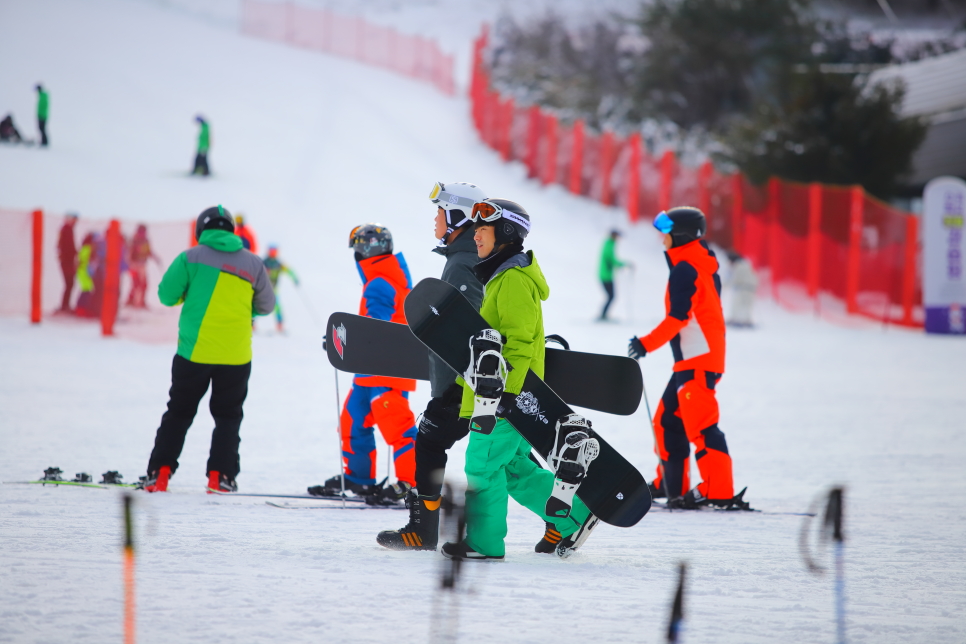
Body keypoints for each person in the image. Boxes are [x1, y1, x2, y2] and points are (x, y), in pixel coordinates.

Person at [440, 198, 595, 561]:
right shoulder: (503, 277)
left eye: (482, 227)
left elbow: (519, 342)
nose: (474, 234)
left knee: (482, 464)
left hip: (501, 399)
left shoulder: (511, 280)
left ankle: (483, 543)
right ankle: (577, 515)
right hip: (504, 396)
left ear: (506, 232)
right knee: (510, 468)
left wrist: (499, 398)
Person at [376, 181, 488, 551]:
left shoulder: (462, 264)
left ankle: (422, 530)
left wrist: (454, 390)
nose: (434, 220)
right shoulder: (467, 258)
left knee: (427, 443)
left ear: (456, 215)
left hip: (463, 385)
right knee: (514, 461)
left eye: (439, 212)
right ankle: (568, 517)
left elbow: (470, 329)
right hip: (471, 383)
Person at [143, 206, 275, 494]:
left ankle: (159, 473)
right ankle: (221, 477)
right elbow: (266, 306)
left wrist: (190, 295)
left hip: (194, 352)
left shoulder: (190, 258)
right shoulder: (253, 263)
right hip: (236, 355)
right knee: (228, 416)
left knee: (178, 412)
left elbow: (166, 296)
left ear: (201, 230)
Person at [627, 207, 747, 510]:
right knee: (667, 420)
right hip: (696, 358)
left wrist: (645, 344)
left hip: (699, 359)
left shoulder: (686, 269)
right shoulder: (696, 265)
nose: (660, 237)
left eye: (665, 231)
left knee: (702, 426)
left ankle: (718, 490)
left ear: (679, 235)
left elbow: (679, 317)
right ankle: (671, 483)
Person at [310, 225, 418, 500]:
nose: (355, 256)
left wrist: (347, 341)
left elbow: (376, 327)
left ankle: (412, 483)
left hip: (387, 368)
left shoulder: (381, 282)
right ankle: (359, 478)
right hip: (370, 368)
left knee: (395, 422)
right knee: (353, 419)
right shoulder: (381, 278)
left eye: (357, 250)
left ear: (365, 251)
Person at [261, 244, 299, 333]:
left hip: (274, 290)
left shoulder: (279, 264)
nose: (272, 253)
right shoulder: (264, 262)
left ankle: (280, 326)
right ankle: (252, 324)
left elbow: (289, 270)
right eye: (271, 251)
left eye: (274, 251)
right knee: (258, 305)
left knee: (277, 307)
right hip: (262, 289)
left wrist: (294, 278)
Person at [598, 229, 631, 321]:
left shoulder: (609, 244)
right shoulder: (609, 244)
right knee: (611, 296)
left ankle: (604, 315)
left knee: (610, 296)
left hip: (607, 274)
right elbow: (611, 259)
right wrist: (624, 264)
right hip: (606, 275)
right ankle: (603, 315)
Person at [126, 224, 161, 308]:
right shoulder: (134, 240)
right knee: (136, 283)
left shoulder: (145, 240)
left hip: (142, 265)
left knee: (144, 284)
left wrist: (156, 258)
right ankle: (132, 301)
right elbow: (128, 253)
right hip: (134, 265)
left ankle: (141, 302)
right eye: (141, 232)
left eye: (143, 232)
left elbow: (148, 251)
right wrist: (129, 264)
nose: (142, 234)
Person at [726, 250, 758, 328]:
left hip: (742, 288)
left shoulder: (738, 265)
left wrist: (726, 284)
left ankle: (736, 319)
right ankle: (746, 320)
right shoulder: (746, 264)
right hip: (751, 287)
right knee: (747, 304)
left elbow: (736, 279)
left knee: (737, 304)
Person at [57, 214, 79, 312]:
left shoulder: (66, 230)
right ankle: (65, 305)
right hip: (67, 261)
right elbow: (68, 247)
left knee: (69, 283)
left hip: (67, 261)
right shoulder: (67, 230)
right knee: (69, 283)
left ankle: (65, 305)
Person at [74, 232, 98, 317]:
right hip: (85, 272)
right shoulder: (88, 249)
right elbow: (88, 262)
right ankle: (81, 309)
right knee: (86, 290)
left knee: (86, 289)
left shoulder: (84, 248)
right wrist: (91, 272)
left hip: (82, 272)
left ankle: (81, 308)